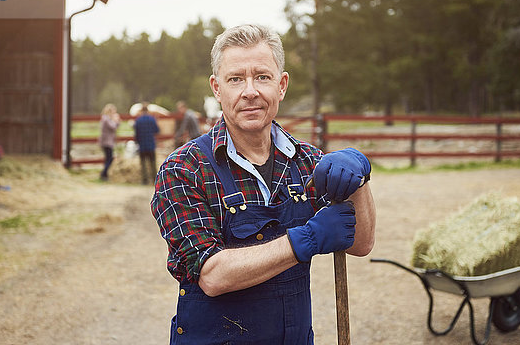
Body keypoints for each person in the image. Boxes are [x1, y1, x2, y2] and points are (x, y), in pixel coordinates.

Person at [151, 24, 376, 344]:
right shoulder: (185, 169)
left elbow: (360, 243)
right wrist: (307, 239)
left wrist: (359, 181)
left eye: (262, 76)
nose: (250, 91)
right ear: (217, 88)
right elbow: (212, 275)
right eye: (235, 79)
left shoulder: (309, 162)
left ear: (281, 85)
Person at [134, 102, 160, 185]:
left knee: (143, 163)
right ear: (148, 110)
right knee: (152, 163)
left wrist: (137, 142)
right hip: (151, 144)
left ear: (141, 110)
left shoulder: (138, 120)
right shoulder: (152, 119)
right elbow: (157, 130)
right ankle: (154, 179)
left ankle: (144, 180)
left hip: (142, 144)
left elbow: (136, 133)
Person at [99, 103, 120, 181]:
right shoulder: (106, 119)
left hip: (107, 141)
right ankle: (103, 174)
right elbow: (113, 127)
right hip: (107, 142)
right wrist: (116, 121)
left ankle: (105, 175)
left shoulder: (106, 118)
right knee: (110, 159)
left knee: (108, 158)